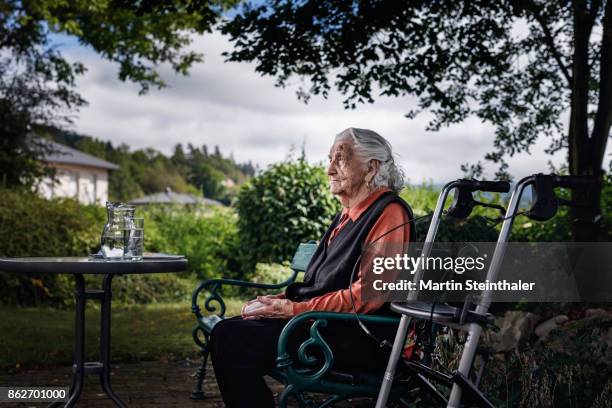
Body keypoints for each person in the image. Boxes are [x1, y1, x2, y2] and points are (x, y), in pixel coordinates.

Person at [210, 127, 414, 407]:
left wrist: (293, 310)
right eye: (329, 159)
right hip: (320, 326)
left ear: (371, 168)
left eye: (339, 159)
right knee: (230, 330)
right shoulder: (346, 215)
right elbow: (321, 283)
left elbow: (370, 294)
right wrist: (280, 301)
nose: (329, 169)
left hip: (354, 337)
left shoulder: (389, 212)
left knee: (232, 339)